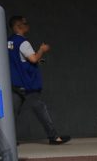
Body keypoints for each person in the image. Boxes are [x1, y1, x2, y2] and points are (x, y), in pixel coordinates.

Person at [7, 15, 70, 145]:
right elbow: (33, 59)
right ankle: (54, 137)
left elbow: (19, 61)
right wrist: (42, 50)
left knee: (12, 112)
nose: (27, 25)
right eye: (25, 23)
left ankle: (9, 139)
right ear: (18, 26)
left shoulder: (9, 42)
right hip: (27, 84)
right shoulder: (23, 42)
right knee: (40, 108)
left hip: (15, 82)